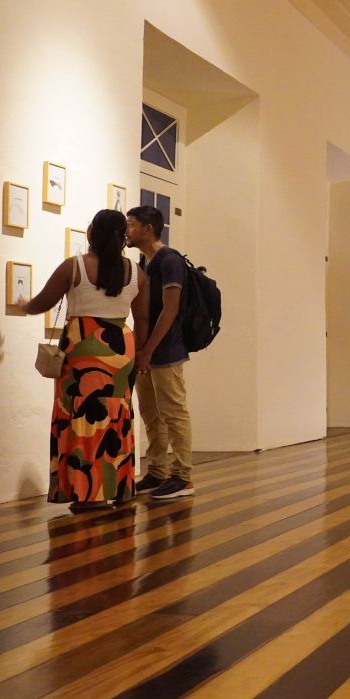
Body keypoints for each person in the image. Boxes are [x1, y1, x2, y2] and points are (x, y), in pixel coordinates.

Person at [16, 209, 148, 511]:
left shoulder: (75, 266)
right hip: (120, 347)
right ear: (122, 237)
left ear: (91, 233)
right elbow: (142, 319)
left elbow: (44, 301)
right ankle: (116, 487)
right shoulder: (136, 272)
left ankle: (86, 491)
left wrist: (25, 306)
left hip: (83, 344)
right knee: (116, 416)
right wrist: (141, 353)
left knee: (81, 416)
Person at [126, 206, 195, 500]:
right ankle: (157, 470)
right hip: (147, 350)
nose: (127, 231)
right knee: (151, 413)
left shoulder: (169, 260)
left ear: (148, 229)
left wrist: (149, 349)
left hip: (166, 349)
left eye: (131, 225)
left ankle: (182, 476)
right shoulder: (145, 261)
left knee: (173, 412)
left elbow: (171, 308)